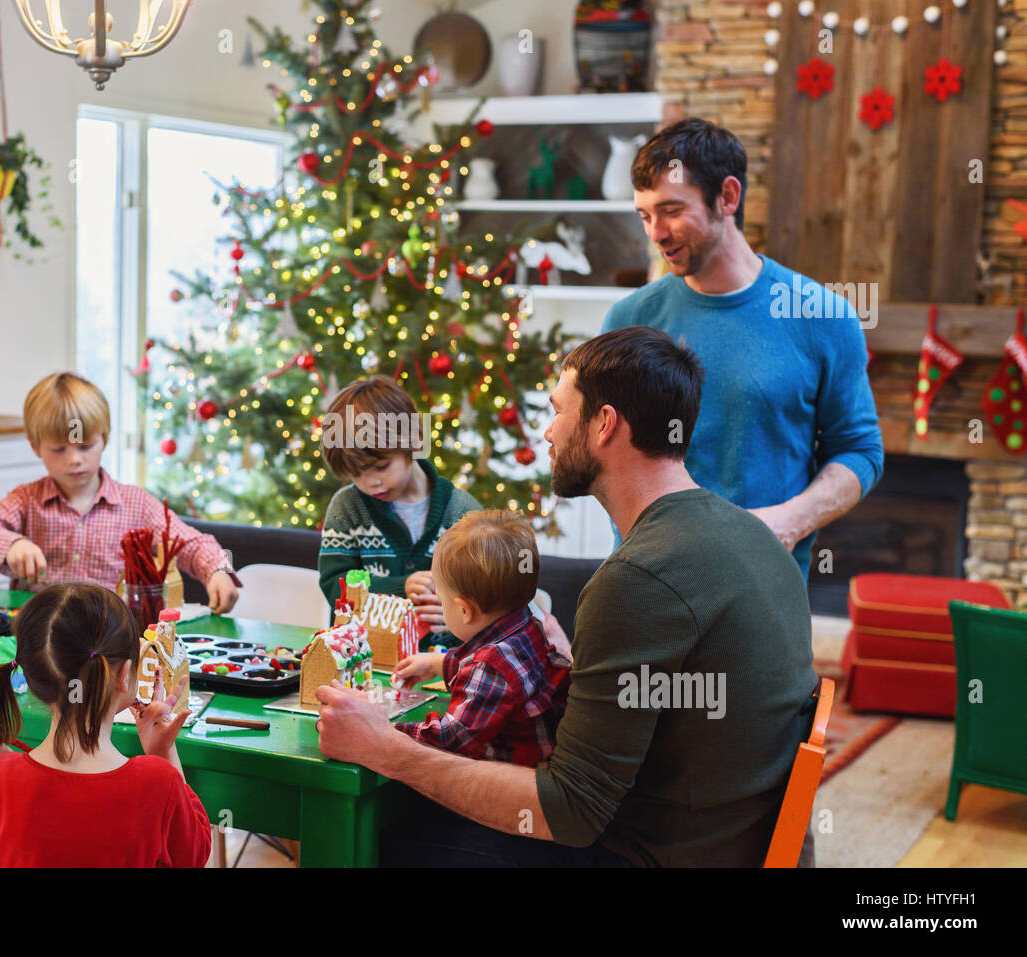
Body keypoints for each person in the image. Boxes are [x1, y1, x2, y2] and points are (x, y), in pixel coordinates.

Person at [315, 327, 820, 867]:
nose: (548, 431)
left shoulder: (637, 578)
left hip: (651, 853)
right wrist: (584, 665)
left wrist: (384, 749)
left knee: (379, 833)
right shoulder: (753, 535)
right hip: (727, 841)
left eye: (558, 410)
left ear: (605, 424)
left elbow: (571, 809)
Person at [602, 117, 883, 578]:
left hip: (766, 584)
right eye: (645, 215)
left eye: (671, 210)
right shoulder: (629, 321)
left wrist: (789, 522)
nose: (655, 233)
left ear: (728, 197)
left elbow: (859, 450)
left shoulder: (821, 316)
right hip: (646, 582)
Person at [0, 582, 210, 867]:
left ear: (30, 678)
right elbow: (193, 856)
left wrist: (5, 766)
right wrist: (164, 751)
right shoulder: (158, 781)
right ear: (124, 673)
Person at [0, 372, 240, 611]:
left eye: (85, 446)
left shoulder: (136, 504)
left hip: (110, 640)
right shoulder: (26, 500)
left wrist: (216, 569)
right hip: (39, 639)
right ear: (34, 445)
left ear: (106, 438)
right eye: (59, 449)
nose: (74, 459)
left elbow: (191, 542)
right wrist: (11, 545)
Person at [392, 510, 569, 768]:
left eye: (442, 600)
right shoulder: (526, 625)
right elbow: (481, 666)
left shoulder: (491, 666)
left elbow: (450, 739)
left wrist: (385, 728)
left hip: (511, 780)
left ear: (464, 611)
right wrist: (435, 664)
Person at [317, 375, 479, 633]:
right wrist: (399, 588)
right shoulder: (347, 507)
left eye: (381, 467)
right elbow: (334, 585)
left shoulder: (462, 512)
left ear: (414, 439)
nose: (371, 483)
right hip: (363, 658)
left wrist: (455, 614)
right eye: (356, 474)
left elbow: (488, 596)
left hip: (444, 662)